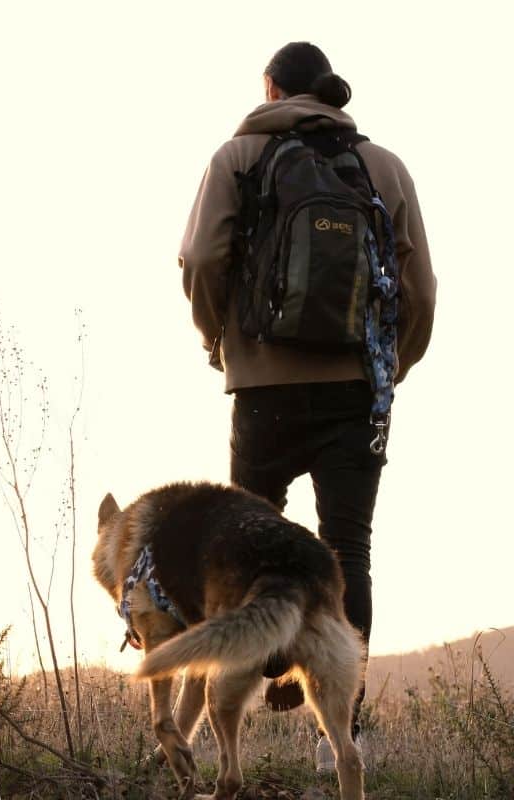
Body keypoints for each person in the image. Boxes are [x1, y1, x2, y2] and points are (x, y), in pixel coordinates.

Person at [177, 42, 436, 771]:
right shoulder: (383, 166)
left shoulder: (239, 157)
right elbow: (422, 293)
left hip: (262, 385)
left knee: (245, 543)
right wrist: (392, 366)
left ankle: (266, 664)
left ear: (270, 87)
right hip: (357, 389)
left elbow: (200, 260)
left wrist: (217, 343)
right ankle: (338, 736)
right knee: (347, 548)